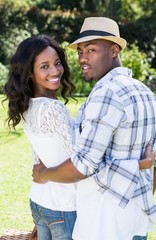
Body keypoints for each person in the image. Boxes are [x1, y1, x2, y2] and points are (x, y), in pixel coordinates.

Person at [32, 17, 156, 240]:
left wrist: (44, 174)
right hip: (138, 219)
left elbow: (84, 165)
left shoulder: (107, 93)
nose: (83, 58)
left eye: (91, 50)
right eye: (80, 51)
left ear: (114, 50)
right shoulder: (146, 93)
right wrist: (138, 189)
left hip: (104, 221)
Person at [4, 35, 78, 240]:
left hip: (39, 201)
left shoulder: (27, 106)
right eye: (44, 66)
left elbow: (39, 156)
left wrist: (42, 174)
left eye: (57, 63)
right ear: (29, 73)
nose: (55, 71)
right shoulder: (53, 108)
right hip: (64, 206)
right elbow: (82, 162)